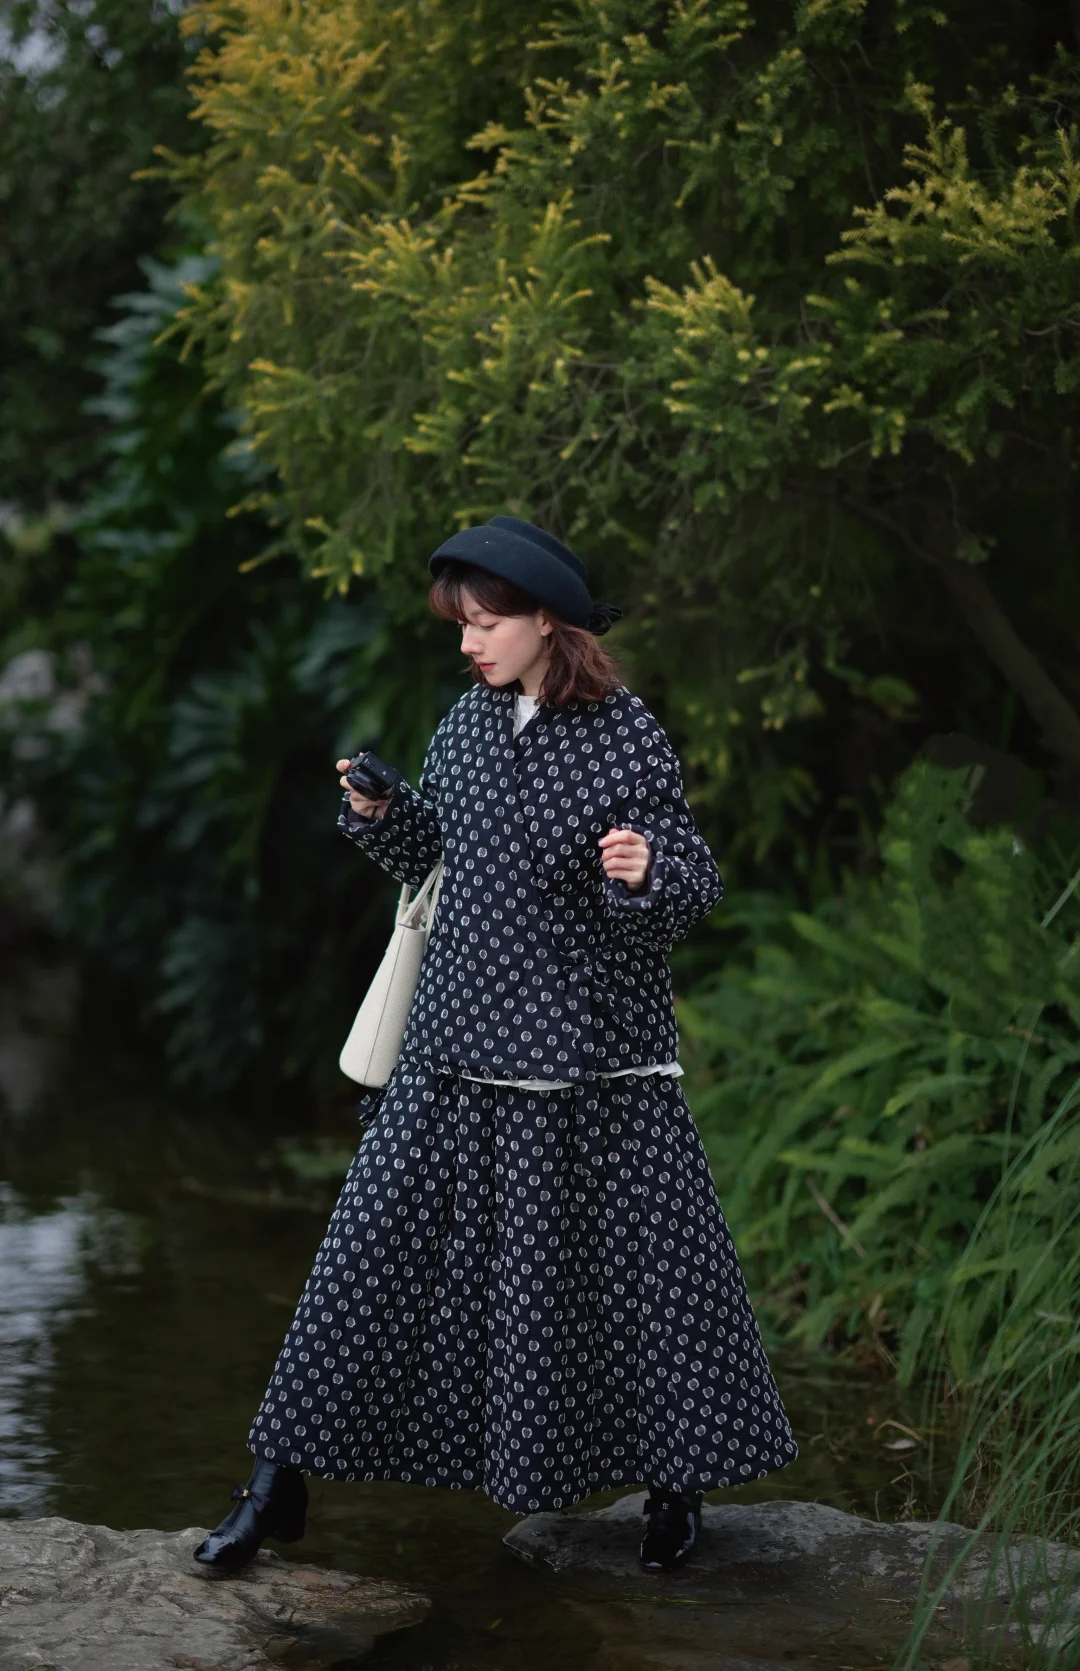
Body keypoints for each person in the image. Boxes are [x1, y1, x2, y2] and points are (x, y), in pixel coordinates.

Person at [194, 516, 796, 1576]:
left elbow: (692, 884)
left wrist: (645, 870)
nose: (468, 642)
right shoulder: (467, 724)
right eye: (462, 624)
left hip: (592, 1064)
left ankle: (676, 1490)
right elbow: (441, 859)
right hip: (452, 1049)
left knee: (644, 1282)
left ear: (547, 621)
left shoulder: (625, 734)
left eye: (485, 623)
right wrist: (384, 810)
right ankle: (274, 1487)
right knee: (362, 1266)